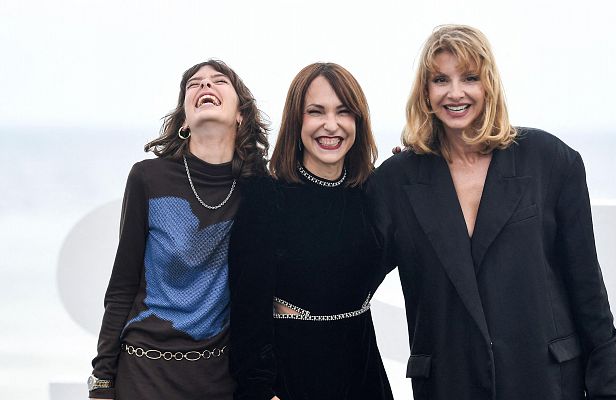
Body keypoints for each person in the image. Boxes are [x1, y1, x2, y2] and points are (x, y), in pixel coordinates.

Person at [366, 25, 616, 399]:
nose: (455, 93)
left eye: (469, 78)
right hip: (448, 385)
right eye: (441, 79)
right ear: (425, 93)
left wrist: (608, 392)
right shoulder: (394, 182)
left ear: (488, 84)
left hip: (546, 383)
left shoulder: (551, 161)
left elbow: (589, 296)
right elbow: (346, 285)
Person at [88, 59, 269, 399]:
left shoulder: (259, 189)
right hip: (143, 373)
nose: (205, 86)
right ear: (185, 119)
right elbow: (122, 286)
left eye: (218, 81)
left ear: (241, 114)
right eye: (194, 84)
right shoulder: (148, 178)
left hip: (219, 378)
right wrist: (102, 380)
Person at [228, 62, 393, 400]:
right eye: (316, 112)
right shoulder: (266, 196)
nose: (331, 125)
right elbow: (247, 312)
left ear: (358, 122)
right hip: (291, 378)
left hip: (363, 375)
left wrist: (411, 170)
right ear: (296, 121)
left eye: (343, 112)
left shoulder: (376, 193)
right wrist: (260, 392)